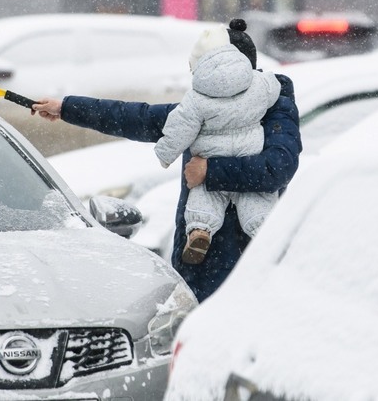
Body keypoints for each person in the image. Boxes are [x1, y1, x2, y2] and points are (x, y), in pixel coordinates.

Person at [32, 18, 302, 302]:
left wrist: (210, 171)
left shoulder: (274, 106)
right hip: (200, 266)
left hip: (252, 263)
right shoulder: (203, 107)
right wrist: (67, 108)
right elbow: (137, 116)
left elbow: (278, 167)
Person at [154, 22, 281, 265]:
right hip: (249, 154)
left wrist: (165, 153)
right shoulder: (257, 83)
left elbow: (179, 128)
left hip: (210, 158)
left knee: (204, 198)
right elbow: (276, 88)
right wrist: (280, 84)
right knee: (257, 201)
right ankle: (265, 234)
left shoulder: (196, 98)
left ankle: (200, 231)